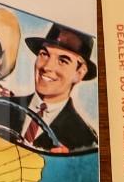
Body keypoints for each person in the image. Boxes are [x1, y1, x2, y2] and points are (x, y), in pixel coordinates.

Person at [7, 23, 100, 153]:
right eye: (44, 54)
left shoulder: (86, 142)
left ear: (79, 73)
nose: (47, 67)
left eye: (63, 61)